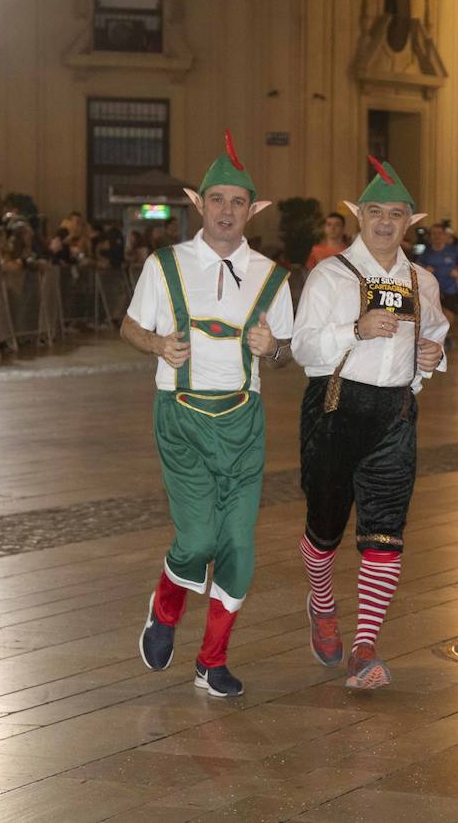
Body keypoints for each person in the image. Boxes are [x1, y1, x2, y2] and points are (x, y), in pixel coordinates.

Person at [123, 131, 294, 698]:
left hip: (245, 421)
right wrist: (156, 346)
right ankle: (166, 608)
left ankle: (211, 661)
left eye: (237, 201)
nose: (226, 210)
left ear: (253, 210)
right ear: (199, 204)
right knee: (197, 539)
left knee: (240, 548)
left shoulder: (272, 276)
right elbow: (129, 326)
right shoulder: (165, 264)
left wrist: (272, 348)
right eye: (216, 199)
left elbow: (285, 354)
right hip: (182, 417)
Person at [292, 156, 448, 690]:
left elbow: (438, 335)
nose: (385, 222)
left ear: (411, 221)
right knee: (324, 526)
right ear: (359, 215)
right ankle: (322, 602)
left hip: (396, 415)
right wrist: (353, 329)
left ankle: (364, 649)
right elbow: (302, 346)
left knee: (385, 533)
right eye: (376, 211)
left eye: (397, 214)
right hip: (334, 408)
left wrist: (432, 355)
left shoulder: (422, 281)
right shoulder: (330, 275)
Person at [417, 223, 458, 320]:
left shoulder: (453, 250)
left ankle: (446, 334)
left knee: (449, 315)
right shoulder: (426, 252)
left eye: (439, 233)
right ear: (430, 236)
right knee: (432, 315)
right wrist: (424, 270)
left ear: (444, 235)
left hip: (450, 288)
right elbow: (417, 267)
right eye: (434, 233)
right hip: (431, 290)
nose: (437, 236)